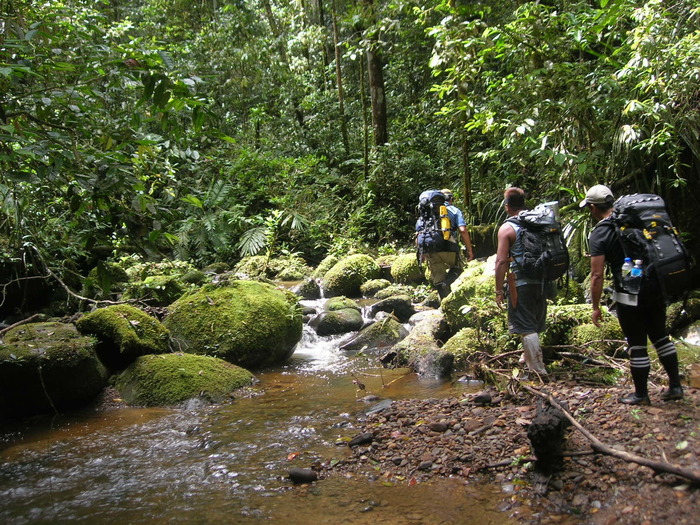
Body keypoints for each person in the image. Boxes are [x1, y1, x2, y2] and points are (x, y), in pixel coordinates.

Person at [581, 184, 683, 405]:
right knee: (660, 335)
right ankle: (676, 386)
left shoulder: (601, 231)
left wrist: (595, 306)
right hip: (655, 285)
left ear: (593, 207)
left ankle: (641, 394)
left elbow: (597, 275)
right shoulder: (635, 220)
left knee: (636, 343)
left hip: (629, 293)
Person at [494, 187, 548, 376]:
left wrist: (499, 290)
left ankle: (538, 372)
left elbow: (501, 261)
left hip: (521, 283)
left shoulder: (508, 228)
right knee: (534, 323)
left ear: (507, 206)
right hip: (542, 280)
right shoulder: (538, 223)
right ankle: (529, 358)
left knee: (526, 328)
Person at [419, 189, 475, 299]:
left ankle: (443, 305)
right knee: (458, 267)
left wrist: (422, 253)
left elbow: (419, 233)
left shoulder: (426, 213)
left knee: (438, 277)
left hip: (429, 247)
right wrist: (469, 250)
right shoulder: (454, 210)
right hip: (448, 245)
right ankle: (447, 284)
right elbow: (463, 230)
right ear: (451, 199)